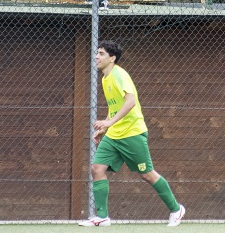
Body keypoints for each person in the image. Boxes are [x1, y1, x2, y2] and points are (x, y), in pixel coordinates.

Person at [79, 40, 185, 227]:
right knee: (97, 168)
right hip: (114, 135)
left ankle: (176, 210)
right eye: (97, 53)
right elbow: (115, 107)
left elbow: (130, 102)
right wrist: (106, 128)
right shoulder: (105, 78)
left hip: (132, 133)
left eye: (102, 53)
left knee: (147, 175)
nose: (97, 56)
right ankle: (102, 217)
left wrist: (109, 122)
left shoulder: (119, 75)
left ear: (112, 58)